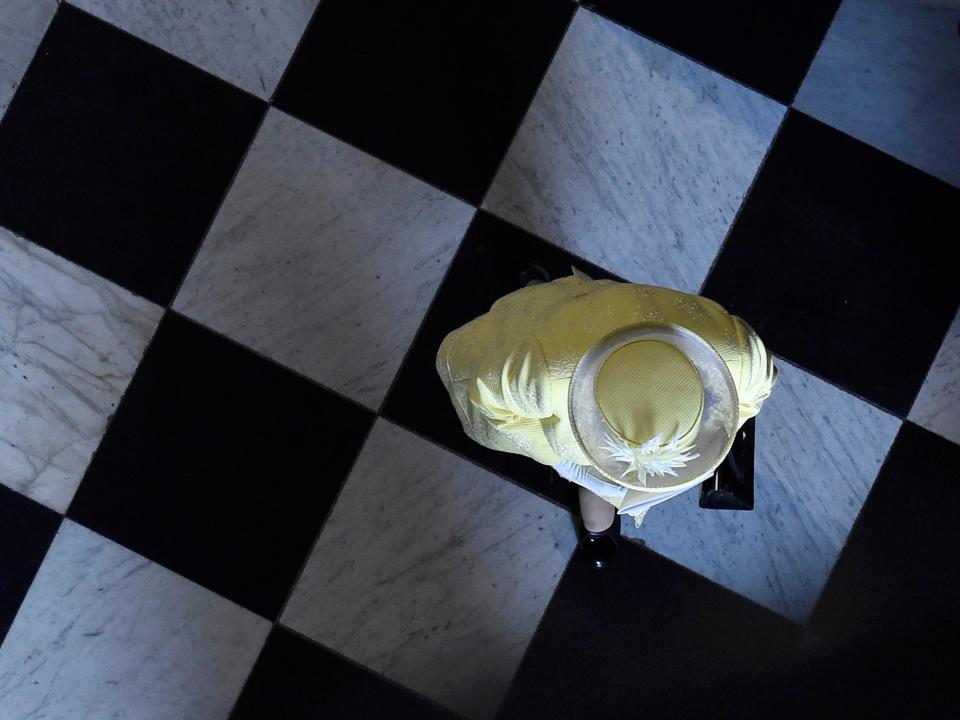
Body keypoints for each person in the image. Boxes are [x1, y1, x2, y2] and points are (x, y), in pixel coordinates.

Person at [435, 264, 778, 568]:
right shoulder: (739, 358)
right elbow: (495, 402)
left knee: (595, 486)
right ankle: (597, 533)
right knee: (597, 489)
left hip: (589, 321)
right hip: (582, 338)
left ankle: (535, 286)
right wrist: (557, 457)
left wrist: (556, 453)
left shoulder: (545, 375)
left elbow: (496, 406)